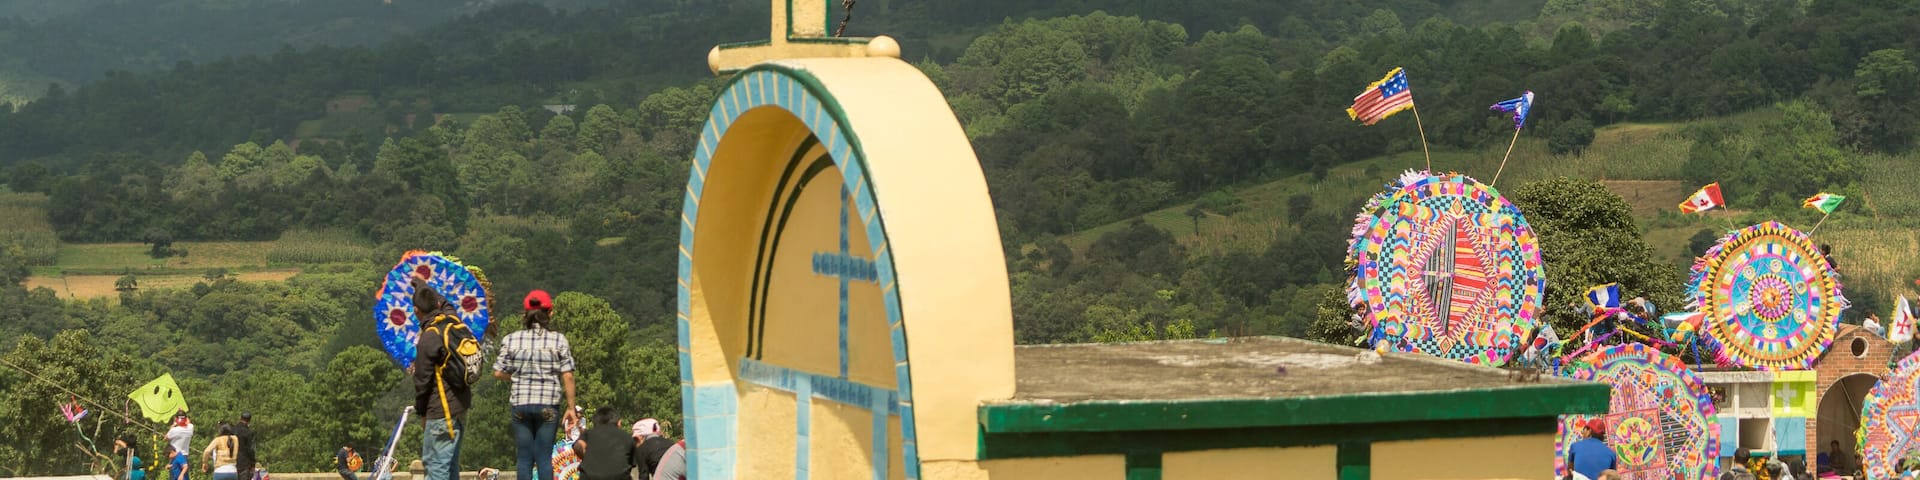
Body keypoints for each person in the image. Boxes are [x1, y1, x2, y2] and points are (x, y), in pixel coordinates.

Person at [493, 289, 577, 480]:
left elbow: (498, 372)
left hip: (520, 403)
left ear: (524, 314)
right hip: (548, 404)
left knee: (524, 457)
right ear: (550, 312)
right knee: (544, 457)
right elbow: (568, 375)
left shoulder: (511, 339)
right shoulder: (558, 340)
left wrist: (517, 377)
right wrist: (571, 407)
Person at [413, 278, 471, 480]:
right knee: (450, 467)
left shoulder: (429, 337)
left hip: (441, 413)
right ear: (437, 304)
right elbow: (448, 305)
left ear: (416, 311)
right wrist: (424, 287)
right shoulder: (452, 320)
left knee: (436, 468)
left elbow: (422, 382)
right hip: (461, 407)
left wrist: (422, 413)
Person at [575, 406, 639, 480]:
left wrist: (585, 457)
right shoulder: (627, 437)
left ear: (595, 422)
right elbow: (631, 463)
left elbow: (578, 446)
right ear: (619, 423)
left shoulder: (589, 434)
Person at [166, 412, 194, 480]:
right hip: (185, 455)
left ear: (176, 419)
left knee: (174, 476)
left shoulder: (174, 430)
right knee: (184, 476)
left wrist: (173, 425)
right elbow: (188, 421)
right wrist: (182, 412)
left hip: (175, 455)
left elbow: (166, 438)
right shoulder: (190, 428)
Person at [232, 413, 257, 480]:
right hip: (244, 463)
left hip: (231, 462)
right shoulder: (249, 432)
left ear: (240, 418)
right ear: (249, 421)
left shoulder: (232, 430)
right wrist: (253, 463)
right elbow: (251, 449)